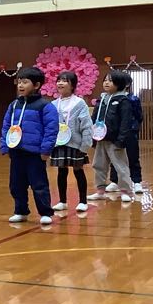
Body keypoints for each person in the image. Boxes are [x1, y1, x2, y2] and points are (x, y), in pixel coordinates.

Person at [0, 67, 59, 225]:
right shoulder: (14, 105)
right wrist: (5, 145)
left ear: (37, 85)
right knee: (16, 184)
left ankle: (45, 213)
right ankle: (20, 211)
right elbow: (6, 125)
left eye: (25, 82)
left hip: (35, 153)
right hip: (16, 151)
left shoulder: (45, 106)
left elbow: (51, 129)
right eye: (19, 82)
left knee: (39, 184)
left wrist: (46, 150)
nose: (20, 85)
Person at [49, 71, 93, 213]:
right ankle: (62, 201)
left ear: (72, 85)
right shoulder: (53, 104)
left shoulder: (79, 103)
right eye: (58, 80)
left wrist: (85, 145)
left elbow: (86, 125)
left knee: (78, 171)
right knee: (61, 172)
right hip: (59, 143)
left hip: (76, 143)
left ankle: (83, 201)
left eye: (64, 81)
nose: (60, 83)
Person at [89, 70, 135, 203]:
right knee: (98, 165)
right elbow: (94, 118)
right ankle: (100, 191)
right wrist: (92, 137)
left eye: (110, 80)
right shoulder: (101, 99)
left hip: (115, 140)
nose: (106, 83)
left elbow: (126, 122)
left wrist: (121, 140)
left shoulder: (123, 100)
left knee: (120, 166)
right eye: (105, 80)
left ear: (119, 83)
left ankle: (125, 191)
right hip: (100, 139)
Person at [106, 74, 144, 194]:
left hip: (130, 132)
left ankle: (136, 181)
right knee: (115, 157)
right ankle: (114, 181)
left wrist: (133, 128)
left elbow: (139, 115)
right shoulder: (110, 98)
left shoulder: (132, 99)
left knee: (133, 156)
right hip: (115, 133)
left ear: (126, 84)